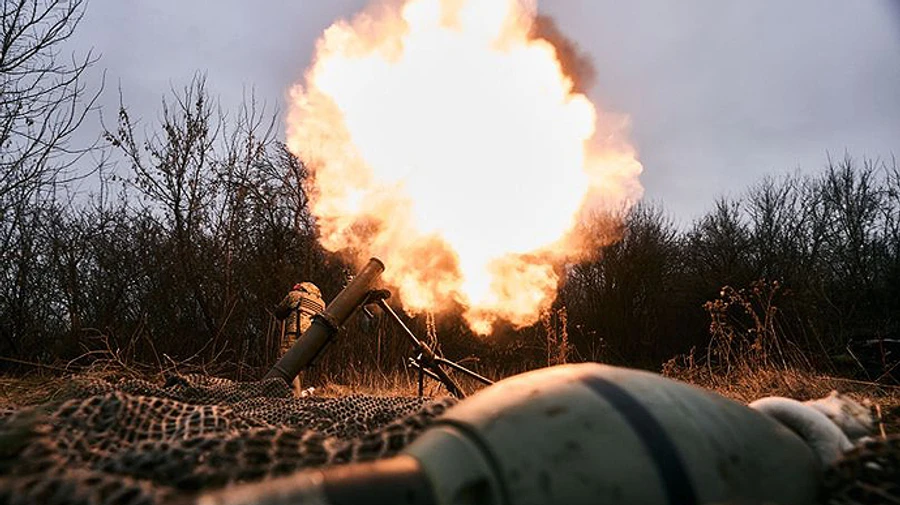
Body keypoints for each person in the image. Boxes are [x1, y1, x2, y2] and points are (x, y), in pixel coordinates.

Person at [274, 282, 326, 397]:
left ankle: (284, 395)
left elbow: (279, 312)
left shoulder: (295, 295)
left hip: (294, 334)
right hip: (311, 339)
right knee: (300, 366)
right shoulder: (321, 303)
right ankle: (297, 393)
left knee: (285, 362)